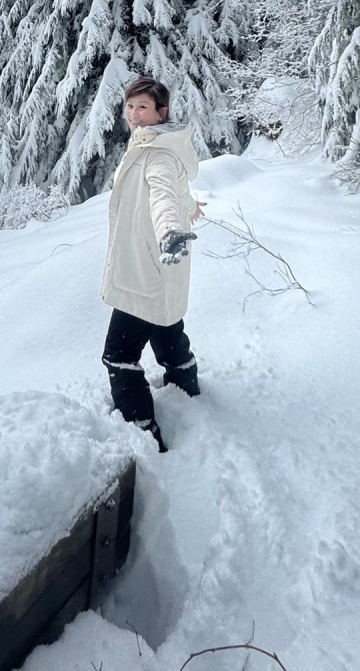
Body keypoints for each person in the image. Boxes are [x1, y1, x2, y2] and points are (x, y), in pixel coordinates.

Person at [100, 75, 204, 452]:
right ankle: (188, 393)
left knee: (119, 355)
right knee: (168, 334)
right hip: (158, 269)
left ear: (162, 112)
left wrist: (172, 230)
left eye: (142, 107)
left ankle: (144, 433)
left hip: (144, 273)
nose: (133, 114)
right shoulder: (156, 145)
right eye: (129, 106)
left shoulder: (157, 154)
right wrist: (190, 207)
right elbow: (175, 192)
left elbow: (161, 196)